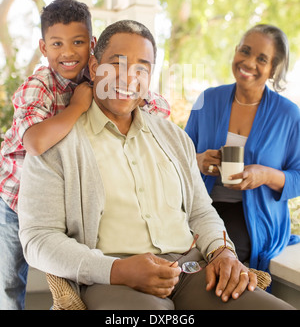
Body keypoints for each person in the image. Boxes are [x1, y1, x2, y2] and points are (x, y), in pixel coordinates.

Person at [18, 20, 294, 309]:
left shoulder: (174, 138)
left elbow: (201, 211)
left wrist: (222, 252)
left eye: (142, 68)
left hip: (193, 271)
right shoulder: (56, 144)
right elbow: (38, 239)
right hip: (111, 277)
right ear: (94, 66)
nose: (128, 78)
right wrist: (116, 270)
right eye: (118, 63)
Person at [0, 0, 169, 310]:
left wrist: (132, 94)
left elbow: (159, 107)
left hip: (67, 199)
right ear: (43, 47)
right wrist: (77, 107)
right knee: (9, 281)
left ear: (91, 45)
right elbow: (36, 143)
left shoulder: (100, 78)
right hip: (16, 197)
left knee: (77, 270)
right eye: (57, 44)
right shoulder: (39, 87)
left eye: (78, 42)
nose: (68, 52)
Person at [185, 24, 300, 273]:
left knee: (212, 260)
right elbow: (176, 157)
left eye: (261, 59)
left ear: (273, 68)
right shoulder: (208, 99)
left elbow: (298, 177)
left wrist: (265, 175)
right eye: (245, 51)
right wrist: (198, 159)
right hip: (200, 206)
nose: (249, 62)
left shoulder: (288, 115)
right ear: (236, 51)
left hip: (251, 218)